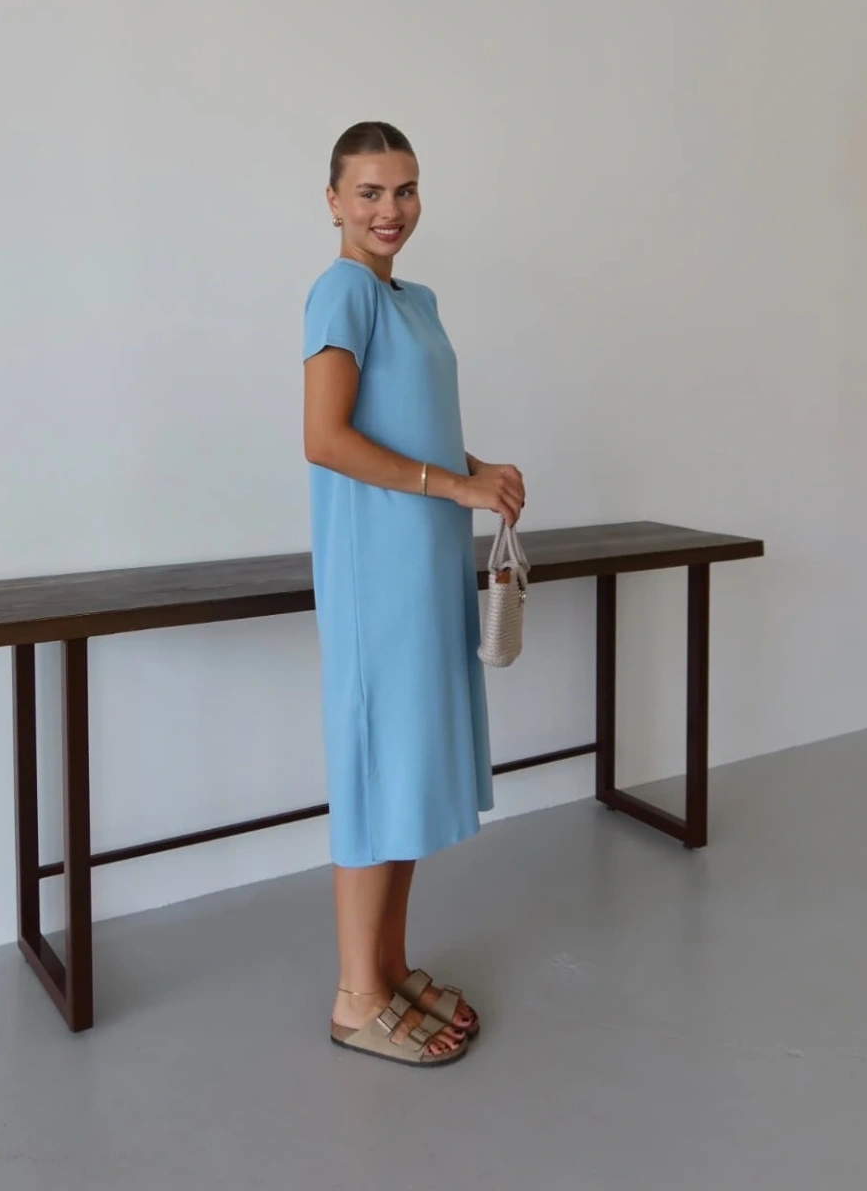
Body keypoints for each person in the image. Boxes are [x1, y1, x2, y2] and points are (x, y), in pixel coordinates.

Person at [302, 121, 526, 1068]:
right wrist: (456, 488)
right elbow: (326, 438)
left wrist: (478, 471)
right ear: (334, 202)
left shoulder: (414, 299)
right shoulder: (342, 291)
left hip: (424, 559)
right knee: (375, 765)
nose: (389, 210)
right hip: (379, 571)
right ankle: (356, 998)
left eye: (405, 189)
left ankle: (388, 971)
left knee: (403, 764)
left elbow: (411, 425)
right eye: (369, 192)